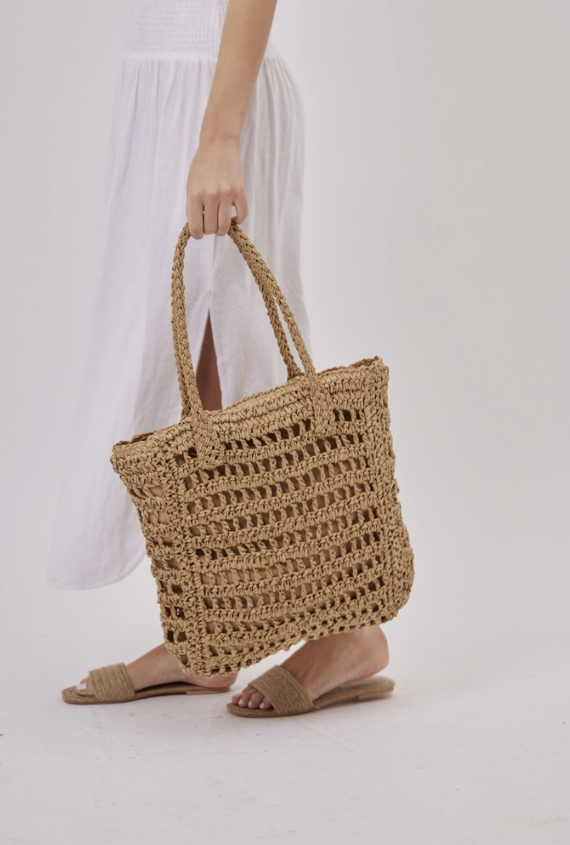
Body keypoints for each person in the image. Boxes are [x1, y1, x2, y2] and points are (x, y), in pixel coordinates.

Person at [53, 0, 391, 714]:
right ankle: (213, 631)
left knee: (249, 368)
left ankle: (350, 630)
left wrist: (219, 135)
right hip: (163, 93)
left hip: (213, 97)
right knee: (197, 380)